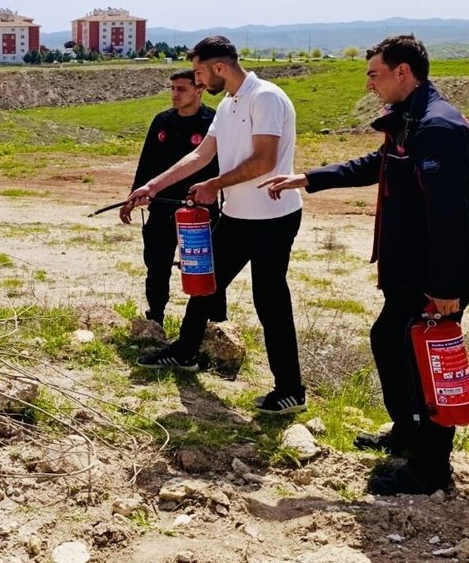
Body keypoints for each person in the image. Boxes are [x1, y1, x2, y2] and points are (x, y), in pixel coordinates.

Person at [259, 34, 469, 495]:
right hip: (407, 269)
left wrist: (446, 287)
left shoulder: (439, 128)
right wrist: (310, 178)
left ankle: (430, 467)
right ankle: (407, 433)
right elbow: (377, 163)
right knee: (391, 341)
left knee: (421, 360)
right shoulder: (409, 122)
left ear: (403, 72)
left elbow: (452, 217)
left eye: (374, 74)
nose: (370, 84)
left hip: (430, 275)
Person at [120, 35, 305, 415]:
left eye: (201, 72)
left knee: (269, 301)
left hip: (272, 217)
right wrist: (153, 185)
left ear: (220, 67)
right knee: (203, 283)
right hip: (239, 216)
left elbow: (265, 161)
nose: (198, 80)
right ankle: (185, 352)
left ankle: (290, 390)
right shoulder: (229, 104)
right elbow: (202, 154)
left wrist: (214, 185)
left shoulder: (265, 97)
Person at [128, 69, 227, 329]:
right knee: (156, 265)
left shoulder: (212, 123)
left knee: (203, 269)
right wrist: (136, 194)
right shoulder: (162, 122)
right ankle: (156, 318)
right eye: (172, 88)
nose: (175, 94)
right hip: (162, 208)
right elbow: (147, 163)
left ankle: (214, 324)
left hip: (199, 211)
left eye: (181, 89)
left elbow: (222, 165)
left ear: (199, 90)